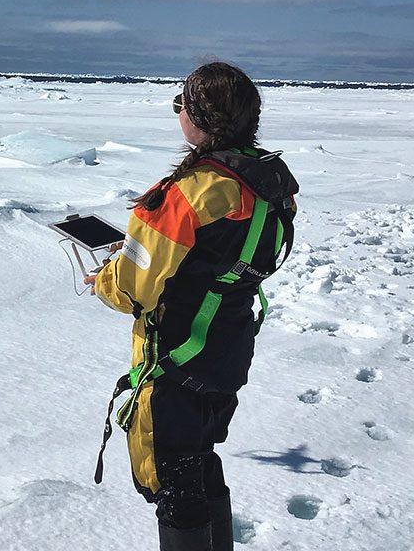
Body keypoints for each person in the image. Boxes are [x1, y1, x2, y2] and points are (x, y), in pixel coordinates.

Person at [88, 62, 298, 551]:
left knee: (173, 475)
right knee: (199, 456)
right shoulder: (270, 183)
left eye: (181, 104)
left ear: (199, 117)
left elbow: (134, 290)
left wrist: (104, 278)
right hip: (227, 350)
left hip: (177, 358)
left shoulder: (186, 194)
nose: (178, 112)